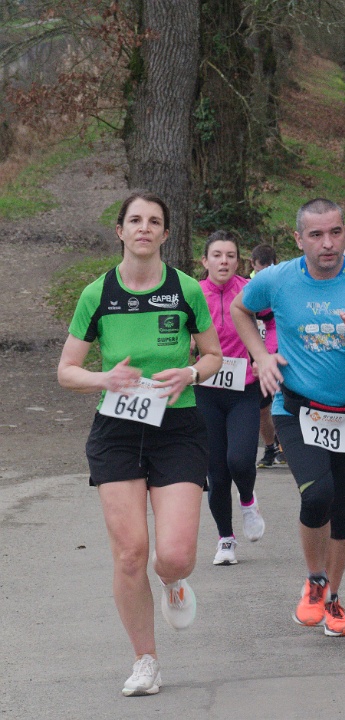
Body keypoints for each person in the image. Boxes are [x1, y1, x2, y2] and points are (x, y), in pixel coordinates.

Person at [57, 191, 223, 696]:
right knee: (130, 553)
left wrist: (191, 372)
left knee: (174, 555)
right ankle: (145, 661)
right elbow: (66, 371)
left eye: (154, 221)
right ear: (121, 231)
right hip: (118, 429)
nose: (144, 228)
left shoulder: (187, 289)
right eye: (135, 220)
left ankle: (171, 580)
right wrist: (103, 378)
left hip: (178, 427)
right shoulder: (97, 294)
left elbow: (213, 355)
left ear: (165, 234)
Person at [230, 198, 345, 637]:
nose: (328, 243)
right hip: (297, 408)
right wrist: (261, 356)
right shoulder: (278, 279)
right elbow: (240, 309)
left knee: (343, 511)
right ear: (298, 239)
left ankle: (334, 601)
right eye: (317, 235)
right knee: (317, 495)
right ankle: (315, 580)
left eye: (336, 233)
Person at [195, 231, 266, 567]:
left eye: (230, 256)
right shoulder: (194, 293)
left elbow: (273, 326)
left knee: (239, 460)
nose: (224, 261)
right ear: (205, 261)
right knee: (217, 473)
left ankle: (248, 500)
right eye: (217, 255)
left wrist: (265, 356)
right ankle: (225, 539)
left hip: (244, 390)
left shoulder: (250, 291)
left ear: (239, 262)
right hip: (205, 391)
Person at [252, 243, 287, 468]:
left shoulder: (283, 282)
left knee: (280, 398)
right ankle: (269, 447)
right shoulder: (247, 284)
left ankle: (284, 445)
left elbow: (274, 322)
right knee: (262, 406)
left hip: (277, 348)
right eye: (259, 271)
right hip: (255, 350)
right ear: (253, 265)